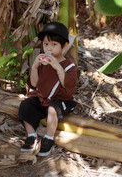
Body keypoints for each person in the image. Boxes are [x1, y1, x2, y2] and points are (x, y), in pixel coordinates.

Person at [18, 22, 78, 156]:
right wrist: (34, 67)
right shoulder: (42, 63)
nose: (48, 48)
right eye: (45, 44)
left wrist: (58, 67)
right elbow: (34, 84)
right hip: (42, 97)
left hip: (61, 99)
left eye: (54, 44)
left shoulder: (69, 66)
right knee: (25, 105)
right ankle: (31, 135)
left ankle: (48, 138)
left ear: (64, 46)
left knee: (52, 109)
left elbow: (68, 87)